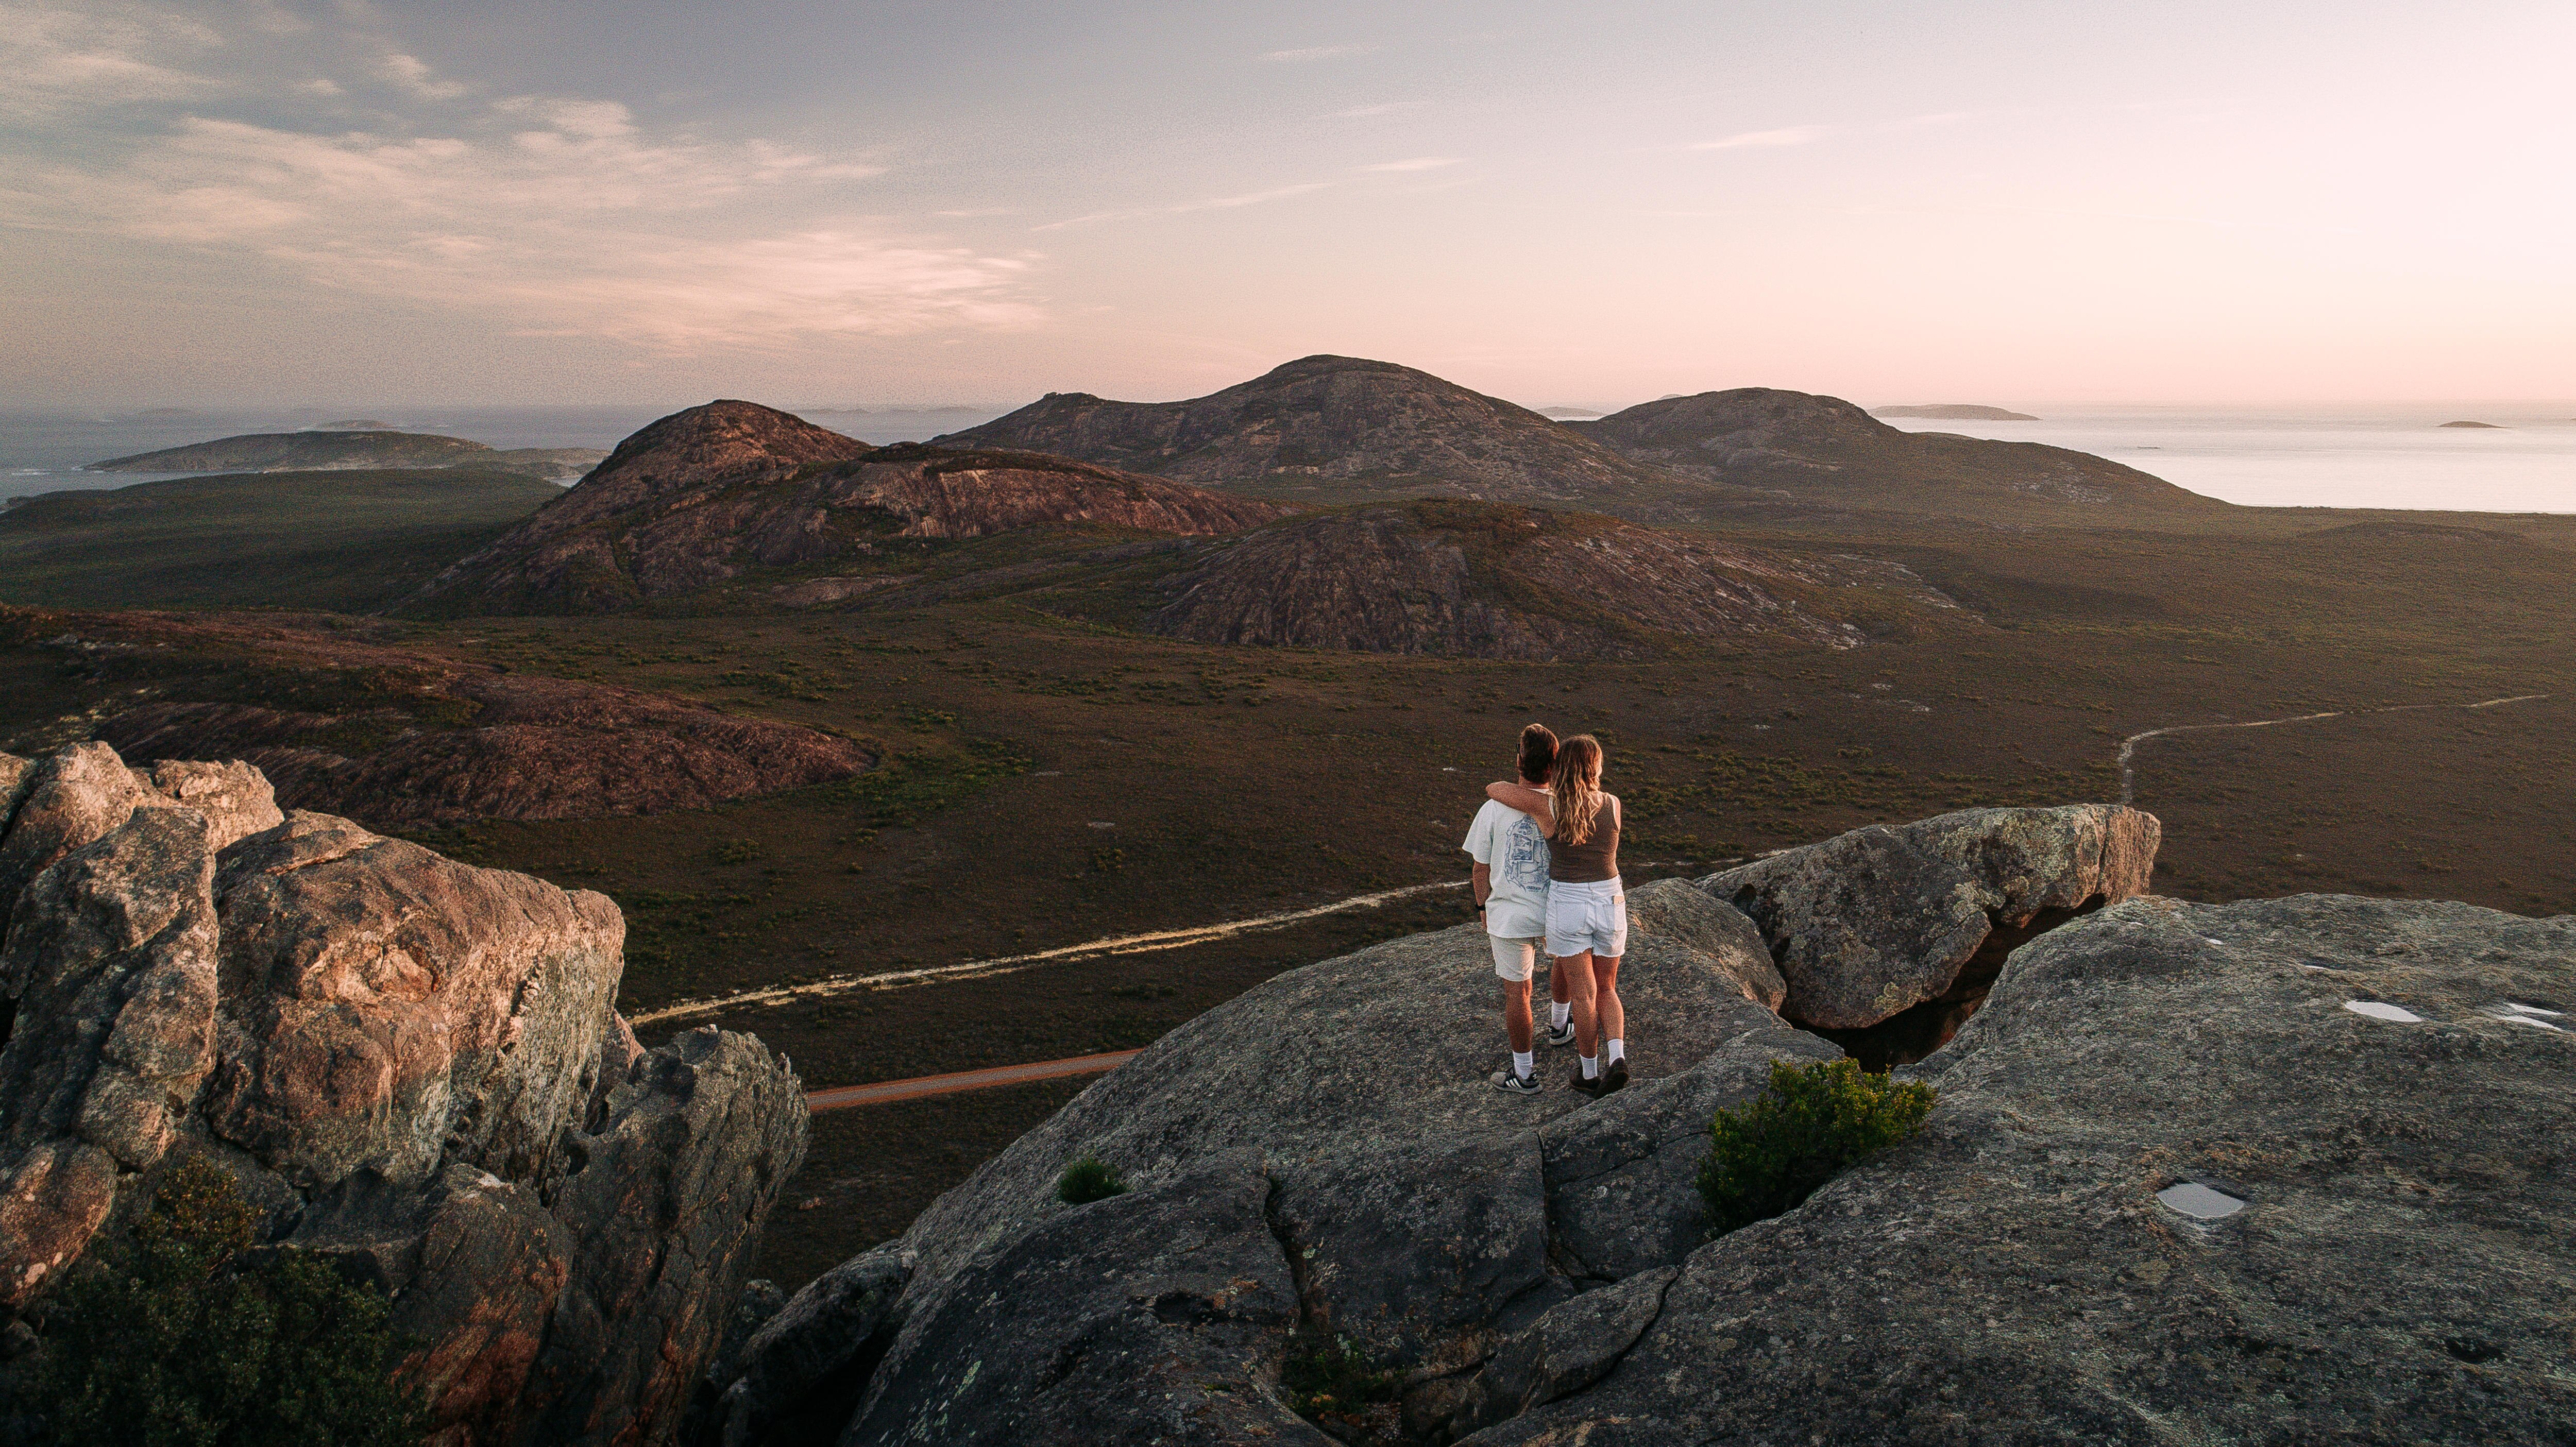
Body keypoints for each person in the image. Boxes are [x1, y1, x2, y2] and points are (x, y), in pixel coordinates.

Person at [1486, 733, 1626, 1097]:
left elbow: (1496, 789)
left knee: (1585, 996)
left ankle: (1589, 1073)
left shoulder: (1548, 807)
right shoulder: (1613, 804)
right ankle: (1617, 1056)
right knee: (1608, 987)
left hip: (1570, 903)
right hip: (1610, 898)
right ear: (1596, 767)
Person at [1463, 724, 1574, 1094]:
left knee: (1518, 993)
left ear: (1518, 762)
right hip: (1557, 907)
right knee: (1564, 960)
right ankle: (1559, 1024)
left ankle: (1525, 1074)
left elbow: (1480, 868)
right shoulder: (1566, 805)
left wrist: (1482, 906)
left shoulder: (1492, 809)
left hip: (1509, 915)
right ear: (1554, 765)